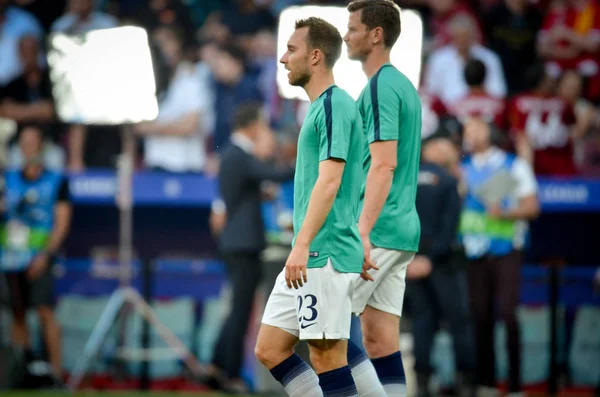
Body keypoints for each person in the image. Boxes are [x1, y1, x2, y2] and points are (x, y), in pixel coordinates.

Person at [254, 17, 364, 397]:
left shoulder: (335, 105)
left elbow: (331, 181)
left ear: (315, 56)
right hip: (309, 252)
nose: (283, 59)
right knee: (269, 348)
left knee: (328, 357)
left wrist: (301, 245)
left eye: (291, 50)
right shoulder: (320, 107)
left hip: (322, 250)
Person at [343, 1, 423, 396]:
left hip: (378, 229)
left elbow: (383, 165)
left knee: (330, 326)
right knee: (379, 341)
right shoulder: (402, 84)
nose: (345, 35)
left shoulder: (380, 87)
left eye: (353, 28)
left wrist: (361, 230)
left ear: (376, 35)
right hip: (400, 228)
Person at [207, 102, 294, 393]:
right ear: (253, 125)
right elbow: (275, 174)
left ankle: (217, 365)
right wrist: (303, 161)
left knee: (237, 309)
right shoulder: (239, 154)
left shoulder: (233, 155)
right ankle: (229, 374)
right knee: (241, 311)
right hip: (242, 244)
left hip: (239, 242)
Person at [460, 118, 540, 397]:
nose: (470, 133)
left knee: (508, 314)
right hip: (474, 251)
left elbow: (532, 207)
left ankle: (516, 385)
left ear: (490, 132)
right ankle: (487, 383)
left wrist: (505, 214)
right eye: (467, 129)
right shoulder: (462, 169)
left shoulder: (513, 165)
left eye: (476, 127)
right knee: (480, 316)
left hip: (508, 249)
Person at [0, 124, 72, 380]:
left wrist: (44, 255)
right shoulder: (7, 178)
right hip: (10, 258)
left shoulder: (56, 180)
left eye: (33, 141)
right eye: (24, 141)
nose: (28, 146)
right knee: (16, 313)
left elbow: (62, 221)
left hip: (40, 255)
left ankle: (55, 375)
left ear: (42, 146)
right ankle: (22, 370)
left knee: (44, 311)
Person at [405, 137, 475, 397]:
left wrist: (412, 258)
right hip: (443, 262)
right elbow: (450, 225)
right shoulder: (447, 181)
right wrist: (432, 258)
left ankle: (422, 381)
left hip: (412, 261)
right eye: (444, 147)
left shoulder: (407, 180)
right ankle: (466, 382)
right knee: (459, 322)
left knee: (422, 321)